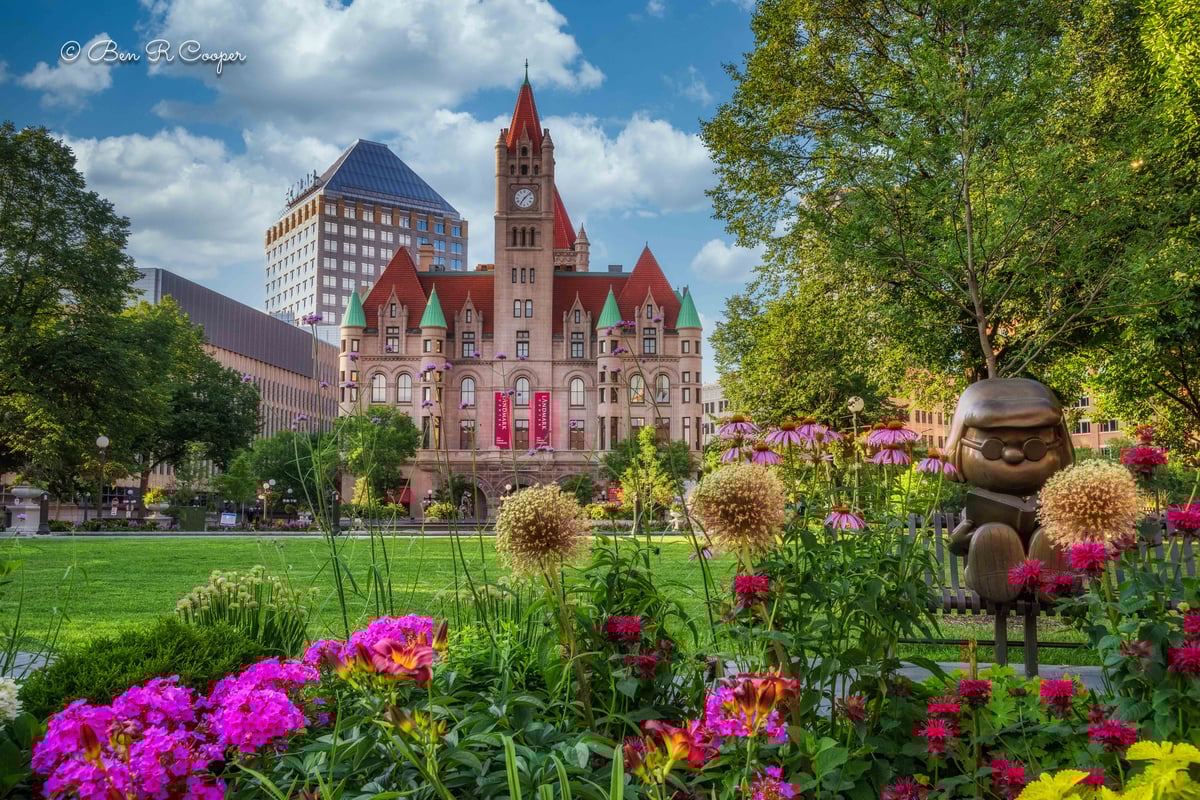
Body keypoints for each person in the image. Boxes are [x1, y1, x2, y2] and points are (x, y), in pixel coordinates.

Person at [945, 378, 1075, 602]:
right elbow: (957, 547)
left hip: (1043, 546)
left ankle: (1051, 580)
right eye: (992, 448)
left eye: (1034, 447)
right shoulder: (979, 504)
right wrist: (960, 539)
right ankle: (996, 580)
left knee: (1050, 535)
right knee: (991, 535)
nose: (1012, 456)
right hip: (991, 562)